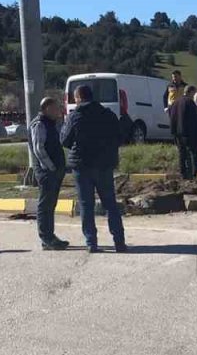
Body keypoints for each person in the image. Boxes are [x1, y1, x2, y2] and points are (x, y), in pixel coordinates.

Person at [61, 84, 126, 253]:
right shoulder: (108, 114)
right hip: (104, 165)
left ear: (78, 98)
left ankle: (92, 242)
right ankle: (119, 241)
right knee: (110, 204)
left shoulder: (75, 116)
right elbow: (120, 137)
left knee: (86, 205)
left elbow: (65, 140)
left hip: (82, 166)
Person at [30, 97, 68, 251]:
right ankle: (46, 238)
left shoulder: (51, 124)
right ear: (46, 109)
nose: (59, 111)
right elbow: (39, 149)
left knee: (51, 205)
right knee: (45, 205)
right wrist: (51, 167)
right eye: (55, 108)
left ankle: (51, 236)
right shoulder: (39, 124)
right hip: (46, 172)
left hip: (54, 171)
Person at [169, 85, 197, 180]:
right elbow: (193, 120)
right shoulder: (189, 102)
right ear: (190, 92)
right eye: (193, 93)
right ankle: (194, 174)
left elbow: (172, 117)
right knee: (193, 154)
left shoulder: (176, 102)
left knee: (182, 154)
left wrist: (173, 131)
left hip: (177, 133)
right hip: (188, 133)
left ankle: (183, 173)